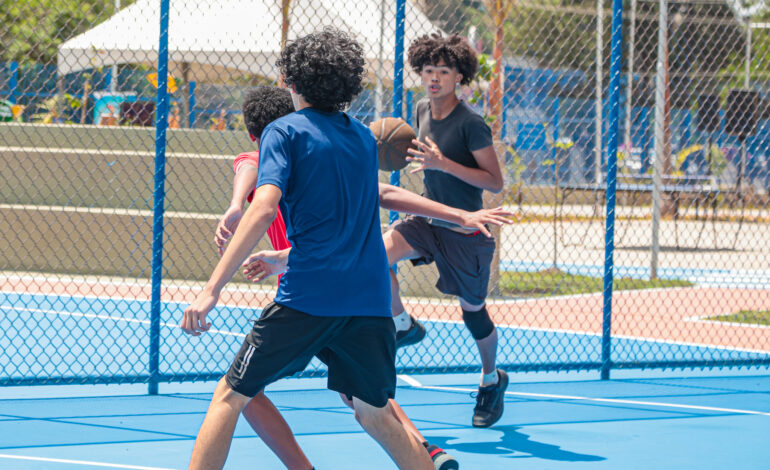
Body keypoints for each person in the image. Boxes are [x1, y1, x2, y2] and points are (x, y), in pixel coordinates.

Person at [181, 28, 445, 470]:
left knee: (230, 395)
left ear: (291, 80)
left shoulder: (282, 132)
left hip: (308, 298)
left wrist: (212, 289)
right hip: (370, 302)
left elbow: (264, 207)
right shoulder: (363, 138)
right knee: (376, 414)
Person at [216, 85, 511, 468]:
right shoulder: (320, 159)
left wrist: (239, 215)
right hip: (351, 297)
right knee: (367, 400)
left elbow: (251, 168)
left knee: (240, 389)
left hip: (306, 296)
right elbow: (250, 165)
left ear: (257, 133)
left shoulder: (283, 158)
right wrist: (237, 204)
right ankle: (426, 450)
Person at [385, 33, 509, 428]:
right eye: (428, 71)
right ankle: (403, 325)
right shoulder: (422, 108)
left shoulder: (471, 124)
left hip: (464, 230)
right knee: (373, 257)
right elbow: (426, 158)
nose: (434, 78)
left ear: (459, 77)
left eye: (443, 71)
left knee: (473, 314)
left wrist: (444, 165)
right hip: (427, 220)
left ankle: (491, 379)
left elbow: (494, 182)